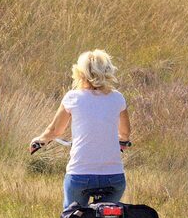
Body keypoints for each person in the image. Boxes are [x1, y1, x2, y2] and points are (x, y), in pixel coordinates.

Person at [30, 49, 132, 209]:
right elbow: (125, 132)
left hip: (80, 175)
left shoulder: (73, 97)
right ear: (108, 72)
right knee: (110, 214)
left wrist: (40, 140)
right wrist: (123, 141)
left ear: (80, 73)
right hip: (114, 177)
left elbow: (55, 131)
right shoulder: (117, 98)